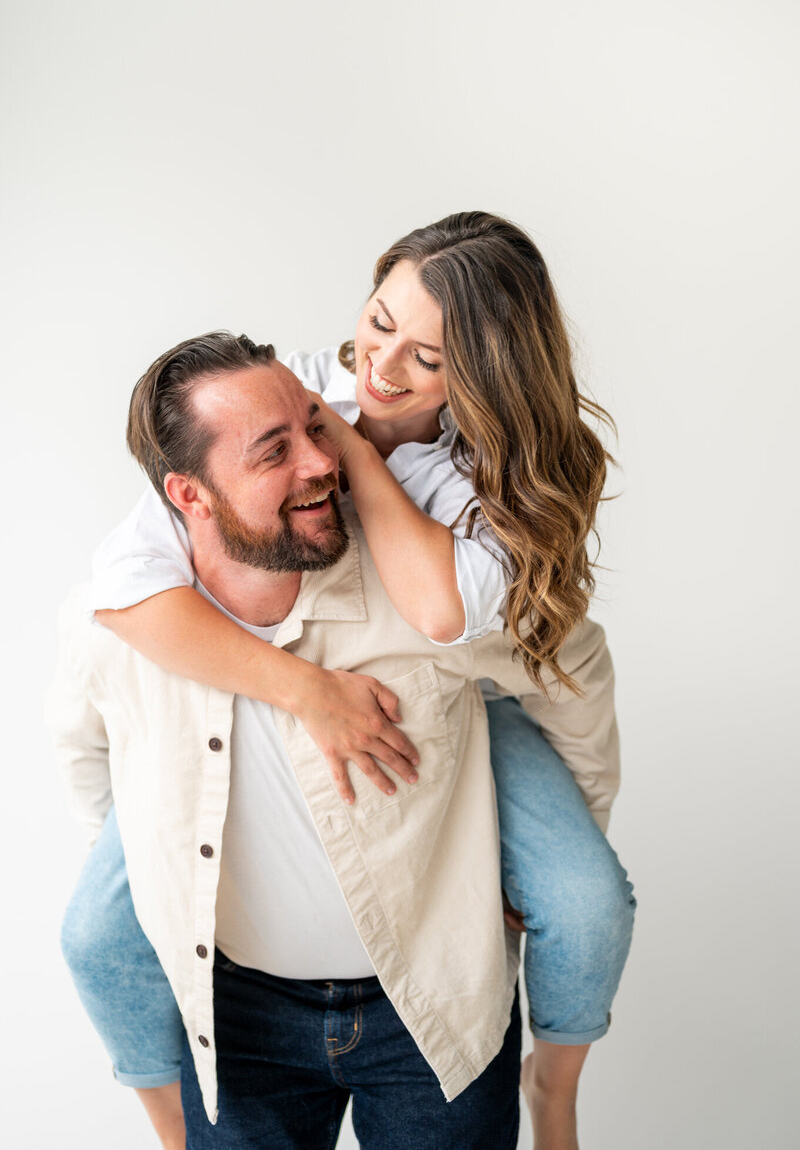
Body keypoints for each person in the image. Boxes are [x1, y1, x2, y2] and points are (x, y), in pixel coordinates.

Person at [62, 213, 635, 1149]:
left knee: (582, 897)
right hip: (252, 991)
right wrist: (302, 689)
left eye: (429, 358)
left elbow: (451, 617)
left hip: (472, 697)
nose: (383, 367)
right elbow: (117, 596)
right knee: (95, 928)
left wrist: (359, 456)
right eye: (378, 322)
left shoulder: (474, 479)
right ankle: (168, 1123)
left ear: (483, 381)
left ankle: (558, 1087)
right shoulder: (291, 392)